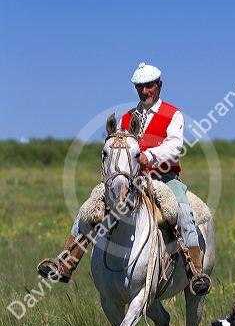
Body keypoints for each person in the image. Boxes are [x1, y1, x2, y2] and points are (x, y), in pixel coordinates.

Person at [37, 62, 211, 295]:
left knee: (183, 212)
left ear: (159, 86)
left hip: (165, 178)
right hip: (131, 180)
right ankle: (66, 262)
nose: (144, 91)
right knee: (89, 206)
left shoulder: (173, 114)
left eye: (149, 86)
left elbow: (175, 146)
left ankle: (195, 272)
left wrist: (148, 156)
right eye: (140, 87)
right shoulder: (127, 117)